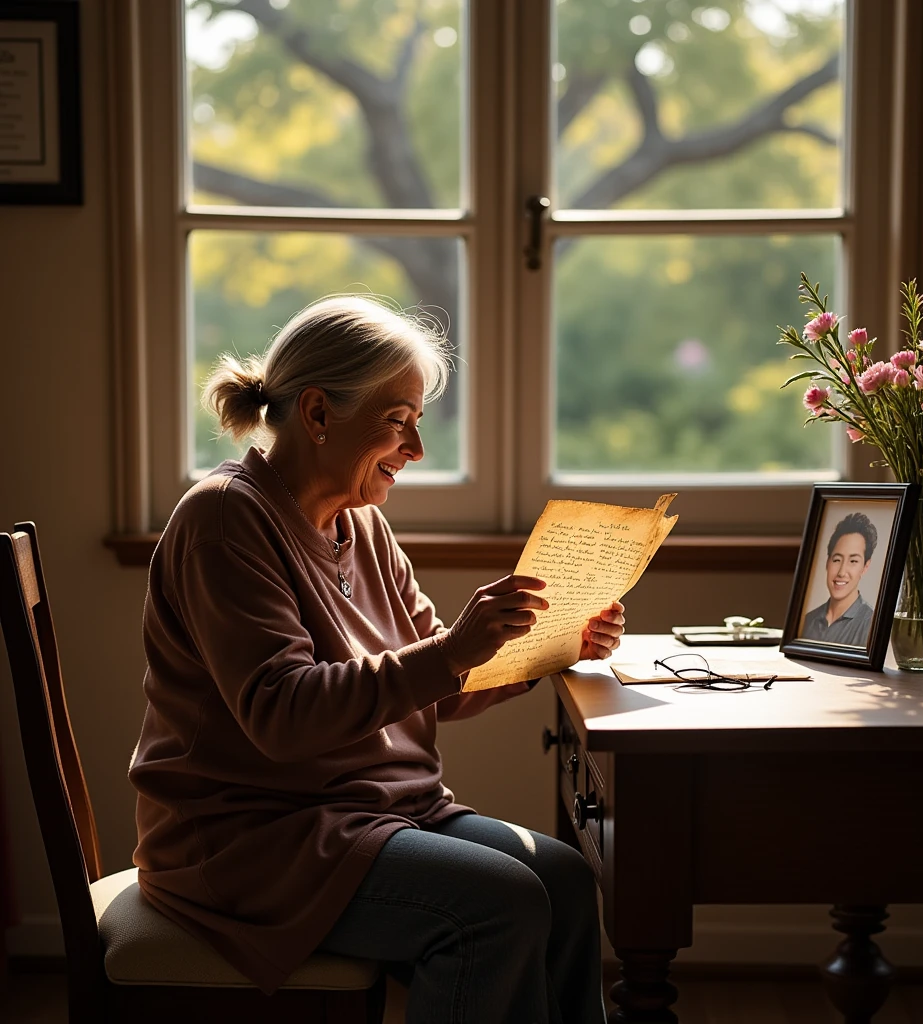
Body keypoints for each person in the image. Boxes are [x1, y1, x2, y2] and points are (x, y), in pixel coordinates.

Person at [128, 295, 623, 1024]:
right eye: (398, 422)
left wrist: (546, 648)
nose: (416, 449)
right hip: (255, 840)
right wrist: (453, 649)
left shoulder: (362, 523)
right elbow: (281, 715)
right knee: (499, 904)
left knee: (567, 881)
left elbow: (441, 690)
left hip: (380, 813)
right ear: (319, 415)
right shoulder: (225, 518)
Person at [800, 511, 877, 647]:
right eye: (836, 560)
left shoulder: (871, 625)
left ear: (865, 566)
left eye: (853, 561)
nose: (841, 572)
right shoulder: (807, 621)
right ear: (827, 562)